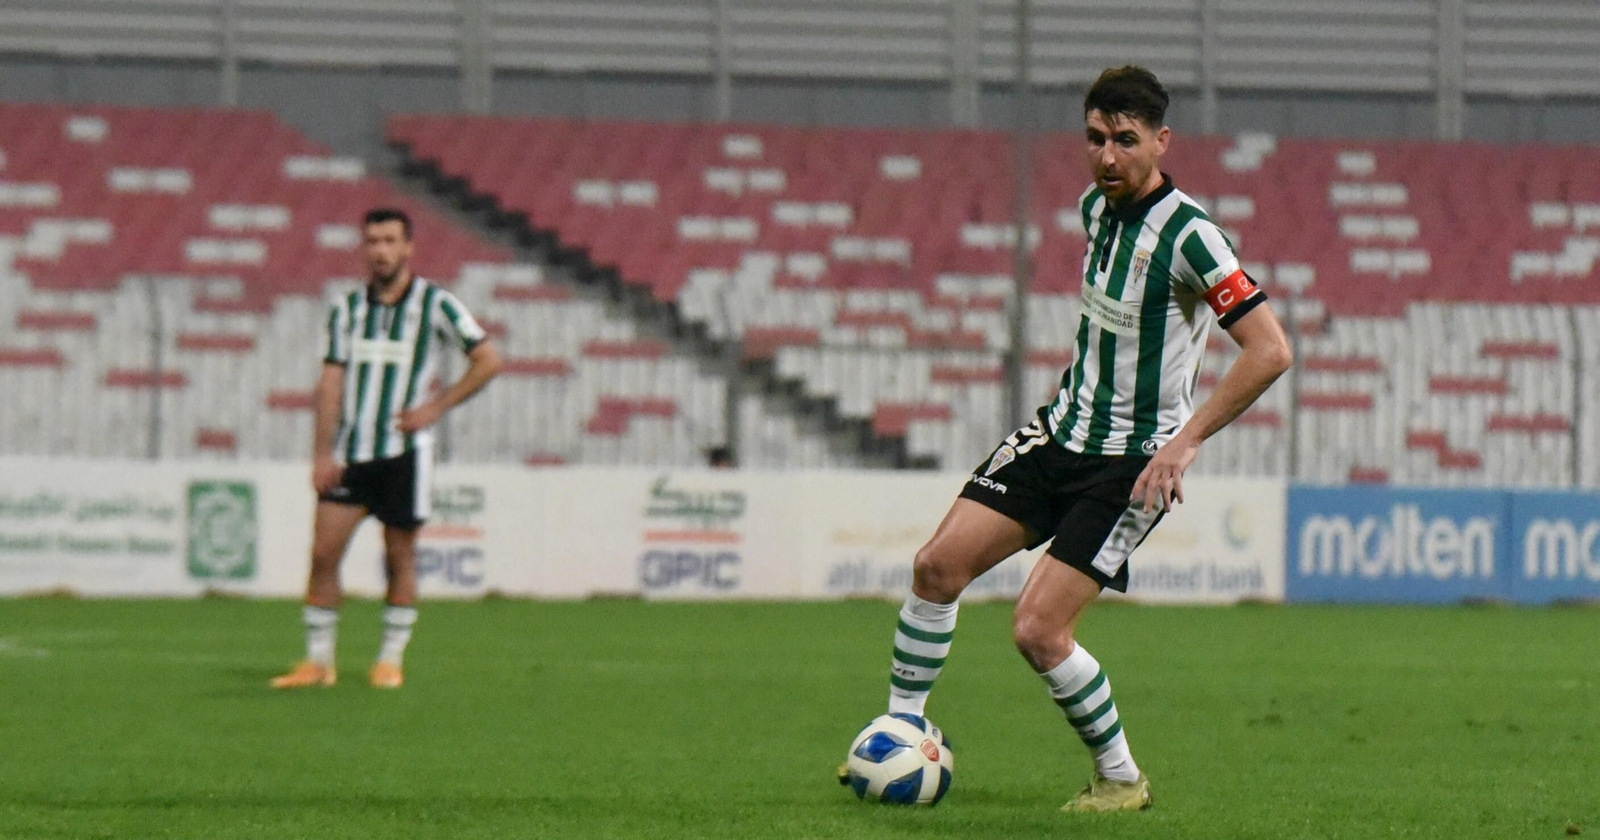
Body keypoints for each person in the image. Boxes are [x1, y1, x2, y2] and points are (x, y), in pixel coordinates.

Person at [846, 66, 1292, 811]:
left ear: (1160, 141)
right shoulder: (1094, 208)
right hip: (1059, 435)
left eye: (1125, 140)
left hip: (1131, 467)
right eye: (1094, 139)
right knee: (935, 568)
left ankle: (1121, 780)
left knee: (1038, 630)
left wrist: (1184, 444)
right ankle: (901, 727)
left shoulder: (1192, 236)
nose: (1107, 156)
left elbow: (1270, 349)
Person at [271, 207, 501, 690]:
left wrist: (435, 407)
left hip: (404, 454)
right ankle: (318, 663)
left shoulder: (435, 303)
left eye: (390, 241)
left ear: (408, 247)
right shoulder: (348, 308)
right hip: (351, 456)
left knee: (399, 556)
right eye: (373, 241)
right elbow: (331, 381)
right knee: (323, 554)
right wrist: (320, 452)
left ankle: (389, 660)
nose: (381, 251)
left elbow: (487, 360)